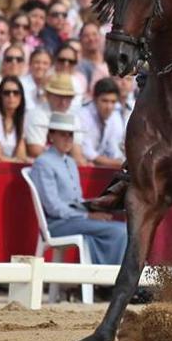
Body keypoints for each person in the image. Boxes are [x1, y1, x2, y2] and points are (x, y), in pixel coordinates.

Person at [29, 111, 127, 265]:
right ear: (51, 136)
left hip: (74, 219)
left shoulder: (70, 162)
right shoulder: (43, 163)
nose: (68, 139)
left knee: (119, 228)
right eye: (63, 134)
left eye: (70, 135)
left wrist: (93, 209)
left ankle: (104, 279)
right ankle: (107, 281)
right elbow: (53, 207)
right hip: (58, 224)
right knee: (119, 231)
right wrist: (87, 216)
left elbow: (77, 200)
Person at [77, 78, 125, 168]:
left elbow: (114, 150)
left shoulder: (115, 116)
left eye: (113, 102)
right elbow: (88, 153)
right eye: (104, 101)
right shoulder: (82, 116)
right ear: (95, 99)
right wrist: (120, 163)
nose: (109, 107)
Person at [0, 75, 27, 162]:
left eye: (16, 93)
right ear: (0, 96)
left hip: (11, 166)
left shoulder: (20, 118)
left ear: (21, 97)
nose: (11, 96)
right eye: (6, 93)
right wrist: (17, 161)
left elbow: (21, 154)